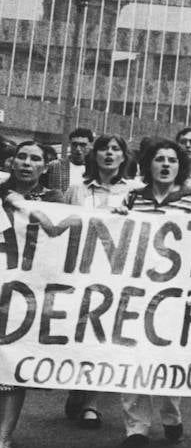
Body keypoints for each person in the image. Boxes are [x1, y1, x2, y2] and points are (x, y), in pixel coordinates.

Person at [115, 139, 191, 448]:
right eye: (159, 159)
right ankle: (136, 426)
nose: (166, 165)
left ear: (180, 166)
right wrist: (115, 217)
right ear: (148, 164)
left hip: (175, 292)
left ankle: (171, 416)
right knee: (133, 355)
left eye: (172, 160)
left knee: (169, 357)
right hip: (137, 290)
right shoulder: (133, 198)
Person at [61, 132, 135, 428]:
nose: (109, 153)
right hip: (80, 272)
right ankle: (76, 389)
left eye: (115, 149)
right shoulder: (76, 190)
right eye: (104, 148)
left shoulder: (133, 191)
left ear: (123, 156)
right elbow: (63, 225)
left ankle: (91, 402)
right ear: (95, 154)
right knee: (78, 333)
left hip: (115, 274)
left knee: (104, 336)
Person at [0, 140, 64, 448]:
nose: (27, 163)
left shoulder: (54, 199)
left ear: (45, 166)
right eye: (22, 157)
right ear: (12, 162)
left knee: (12, 361)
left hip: (25, 289)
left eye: (34, 158)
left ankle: (3, 437)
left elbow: (60, 234)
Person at [66, 126, 94, 190]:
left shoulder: (98, 168)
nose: (78, 149)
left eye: (83, 145)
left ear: (90, 145)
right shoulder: (57, 167)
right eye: (74, 144)